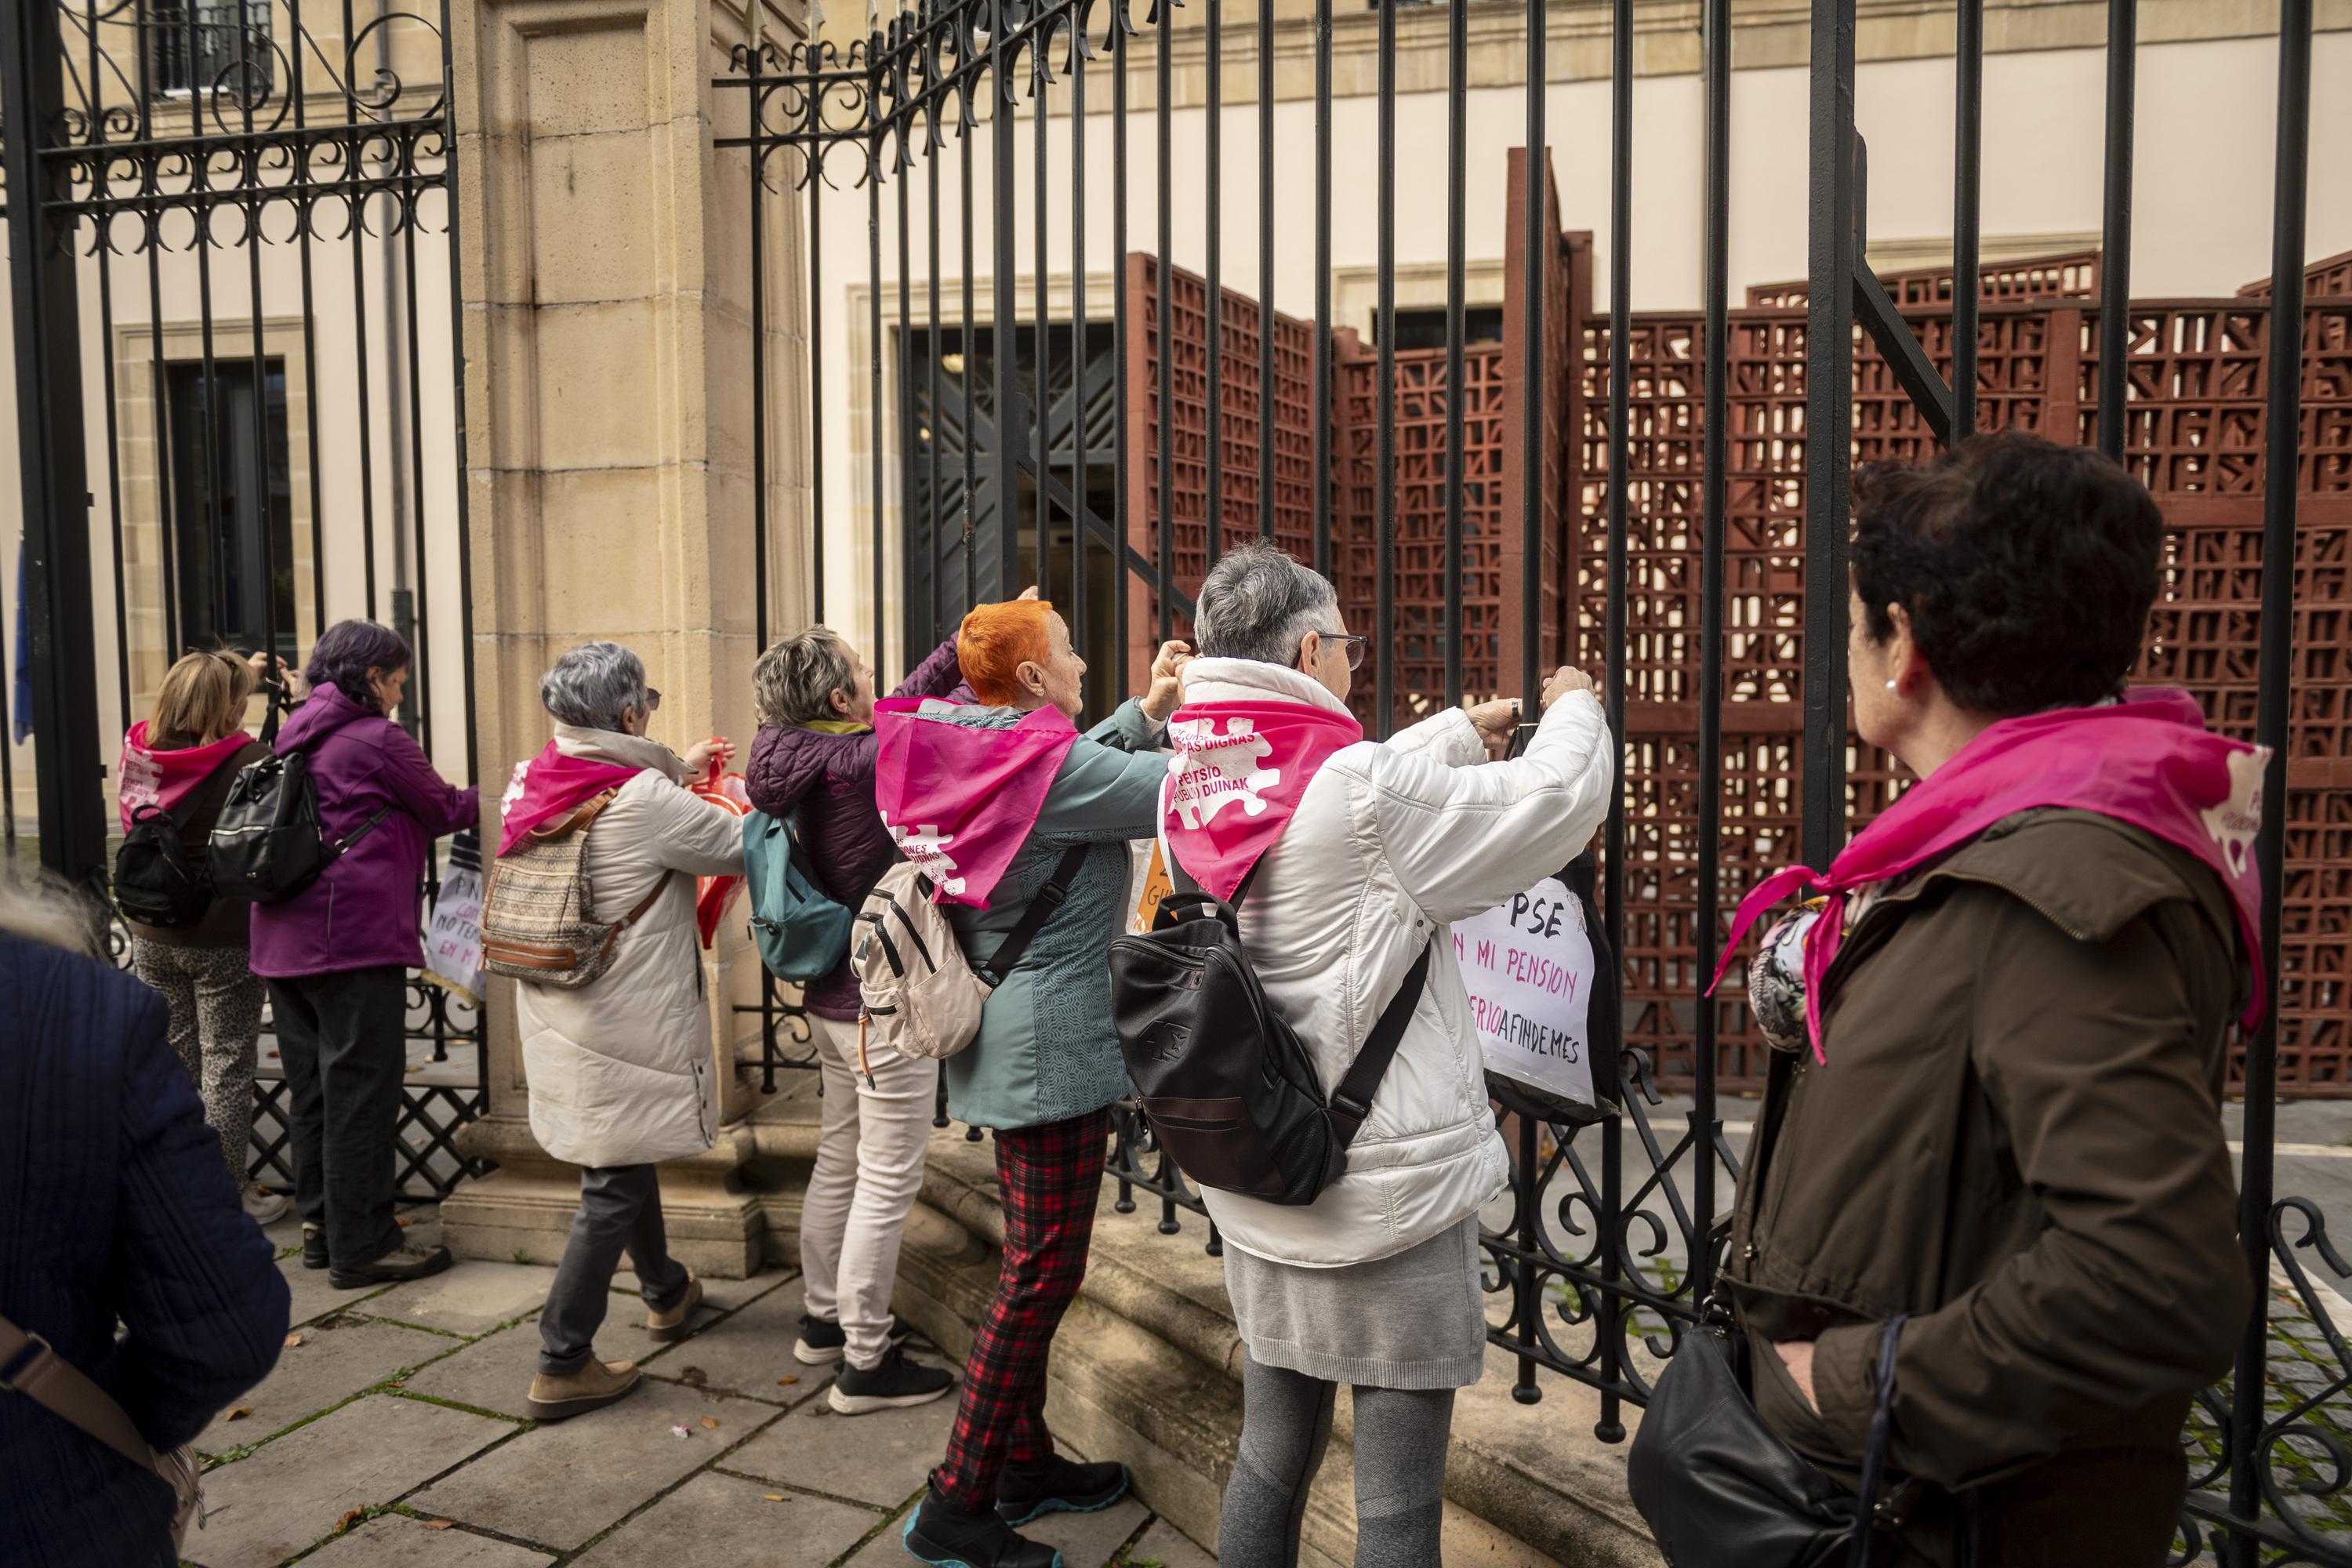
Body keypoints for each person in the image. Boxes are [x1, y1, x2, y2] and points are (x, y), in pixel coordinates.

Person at [1712, 433, 2256, 1563]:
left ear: (1902, 643)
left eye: (1854, 620)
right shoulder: (1992, 841)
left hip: (1951, 1518)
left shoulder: (2057, 889)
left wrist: (1858, 1385)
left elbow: (2159, 1278)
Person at [1156, 543, 1610, 1568]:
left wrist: (1455, 733)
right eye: (1348, 647)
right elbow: (1550, 804)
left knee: (1272, 1455)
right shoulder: (1357, 792)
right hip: (1381, 1201)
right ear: (1312, 647)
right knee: (1398, 1506)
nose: (1353, 661)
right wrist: (1577, 705)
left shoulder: (1196, 768)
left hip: (1263, 1174)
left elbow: (1337, 799)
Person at [896, 598, 1189, 1568]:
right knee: (1040, 1276)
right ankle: (957, 1499)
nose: (1079, 663)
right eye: (1067, 651)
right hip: (1048, 1057)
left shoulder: (971, 742)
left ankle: (1021, 1464)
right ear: (1029, 678)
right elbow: (1176, 786)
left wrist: (1144, 709)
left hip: (1010, 1038)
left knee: (1030, 1263)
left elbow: (1066, 770)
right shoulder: (1050, 766)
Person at [1, 880, 289, 1568]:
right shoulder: (62, 1005)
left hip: (157, 929)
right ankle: (218, 1177)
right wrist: (108, 1422)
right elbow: (227, 1326)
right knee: (225, 1064)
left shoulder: (147, 767)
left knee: (200, 1056)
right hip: (48, 1515)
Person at [501, 642, 746, 1421]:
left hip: (562, 1003)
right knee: (611, 1179)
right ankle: (562, 1356)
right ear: (630, 713)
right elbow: (742, 842)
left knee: (620, 1152)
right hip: (623, 1015)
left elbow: (632, 799)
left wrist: (678, 766)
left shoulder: (538, 777)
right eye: (647, 707)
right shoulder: (640, 797)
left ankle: (666, 1290)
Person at [744, 624, 967, 1412]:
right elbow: (926, 716)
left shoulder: (796, 751)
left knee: (840, 1156)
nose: (874, 678)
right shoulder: (858, 761)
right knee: (886, 1175)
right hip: (880, 1002)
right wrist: (968, 664)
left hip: (833, 998)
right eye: (860, 670)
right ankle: (867, 1359)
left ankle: (825, 1317)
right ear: (839, 699)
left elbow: (902, 699)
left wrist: (954, 645)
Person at [249, 620, 478, 1289]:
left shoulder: (296, 729)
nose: (399, 698)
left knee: (314, 1092)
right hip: (348, 941)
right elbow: (443, 809)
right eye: (397, 683)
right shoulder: (377, 739)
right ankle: (365, 1245)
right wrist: (513, 788)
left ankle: (323, 1229)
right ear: (373, 678)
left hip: (282, 941)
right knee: (361, 1095)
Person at [118, 647, 305, 1224]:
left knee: (175, 1065)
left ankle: (170, 1186)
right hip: (220, 936)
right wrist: (292, 705)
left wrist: (235, 674)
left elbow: (201, 710)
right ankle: (219, 1195)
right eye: (240, 701)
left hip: (151, 926)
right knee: (226, 1065)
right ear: (229, 708)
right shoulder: (247, 759)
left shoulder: (138, 749)